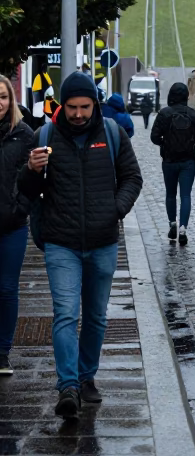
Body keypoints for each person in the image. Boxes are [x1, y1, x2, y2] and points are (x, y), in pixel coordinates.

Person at [17, 72, 142, 418]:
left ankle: (87, 377)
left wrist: (115, 209)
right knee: (66, 314)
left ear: (94, 104)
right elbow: (26, 190)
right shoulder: (45, 135)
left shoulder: (113, 135)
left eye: (85, 107)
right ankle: (68, 386)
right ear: (63, 104)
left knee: (97, 317)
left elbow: (133, 177)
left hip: (103, 242)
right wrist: (30, 169)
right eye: (72, 107)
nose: (78, 114)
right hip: (62, 242)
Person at [0, 75, 34, 375]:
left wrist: (21, 207)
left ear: (11, 100)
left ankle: (2, 352)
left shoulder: (24, 134)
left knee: (8, 289)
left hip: (12, 225)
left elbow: (34, 178)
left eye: (3, 97)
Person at [151, 82, 195, 245]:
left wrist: (164, 143)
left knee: (170, 194)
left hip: (169, 160)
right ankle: (183, 228)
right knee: (185, 195)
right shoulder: (194, 115)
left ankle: (172, 223)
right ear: (186, 96)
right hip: (188, 161)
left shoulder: (164, 114)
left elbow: (154, 137)